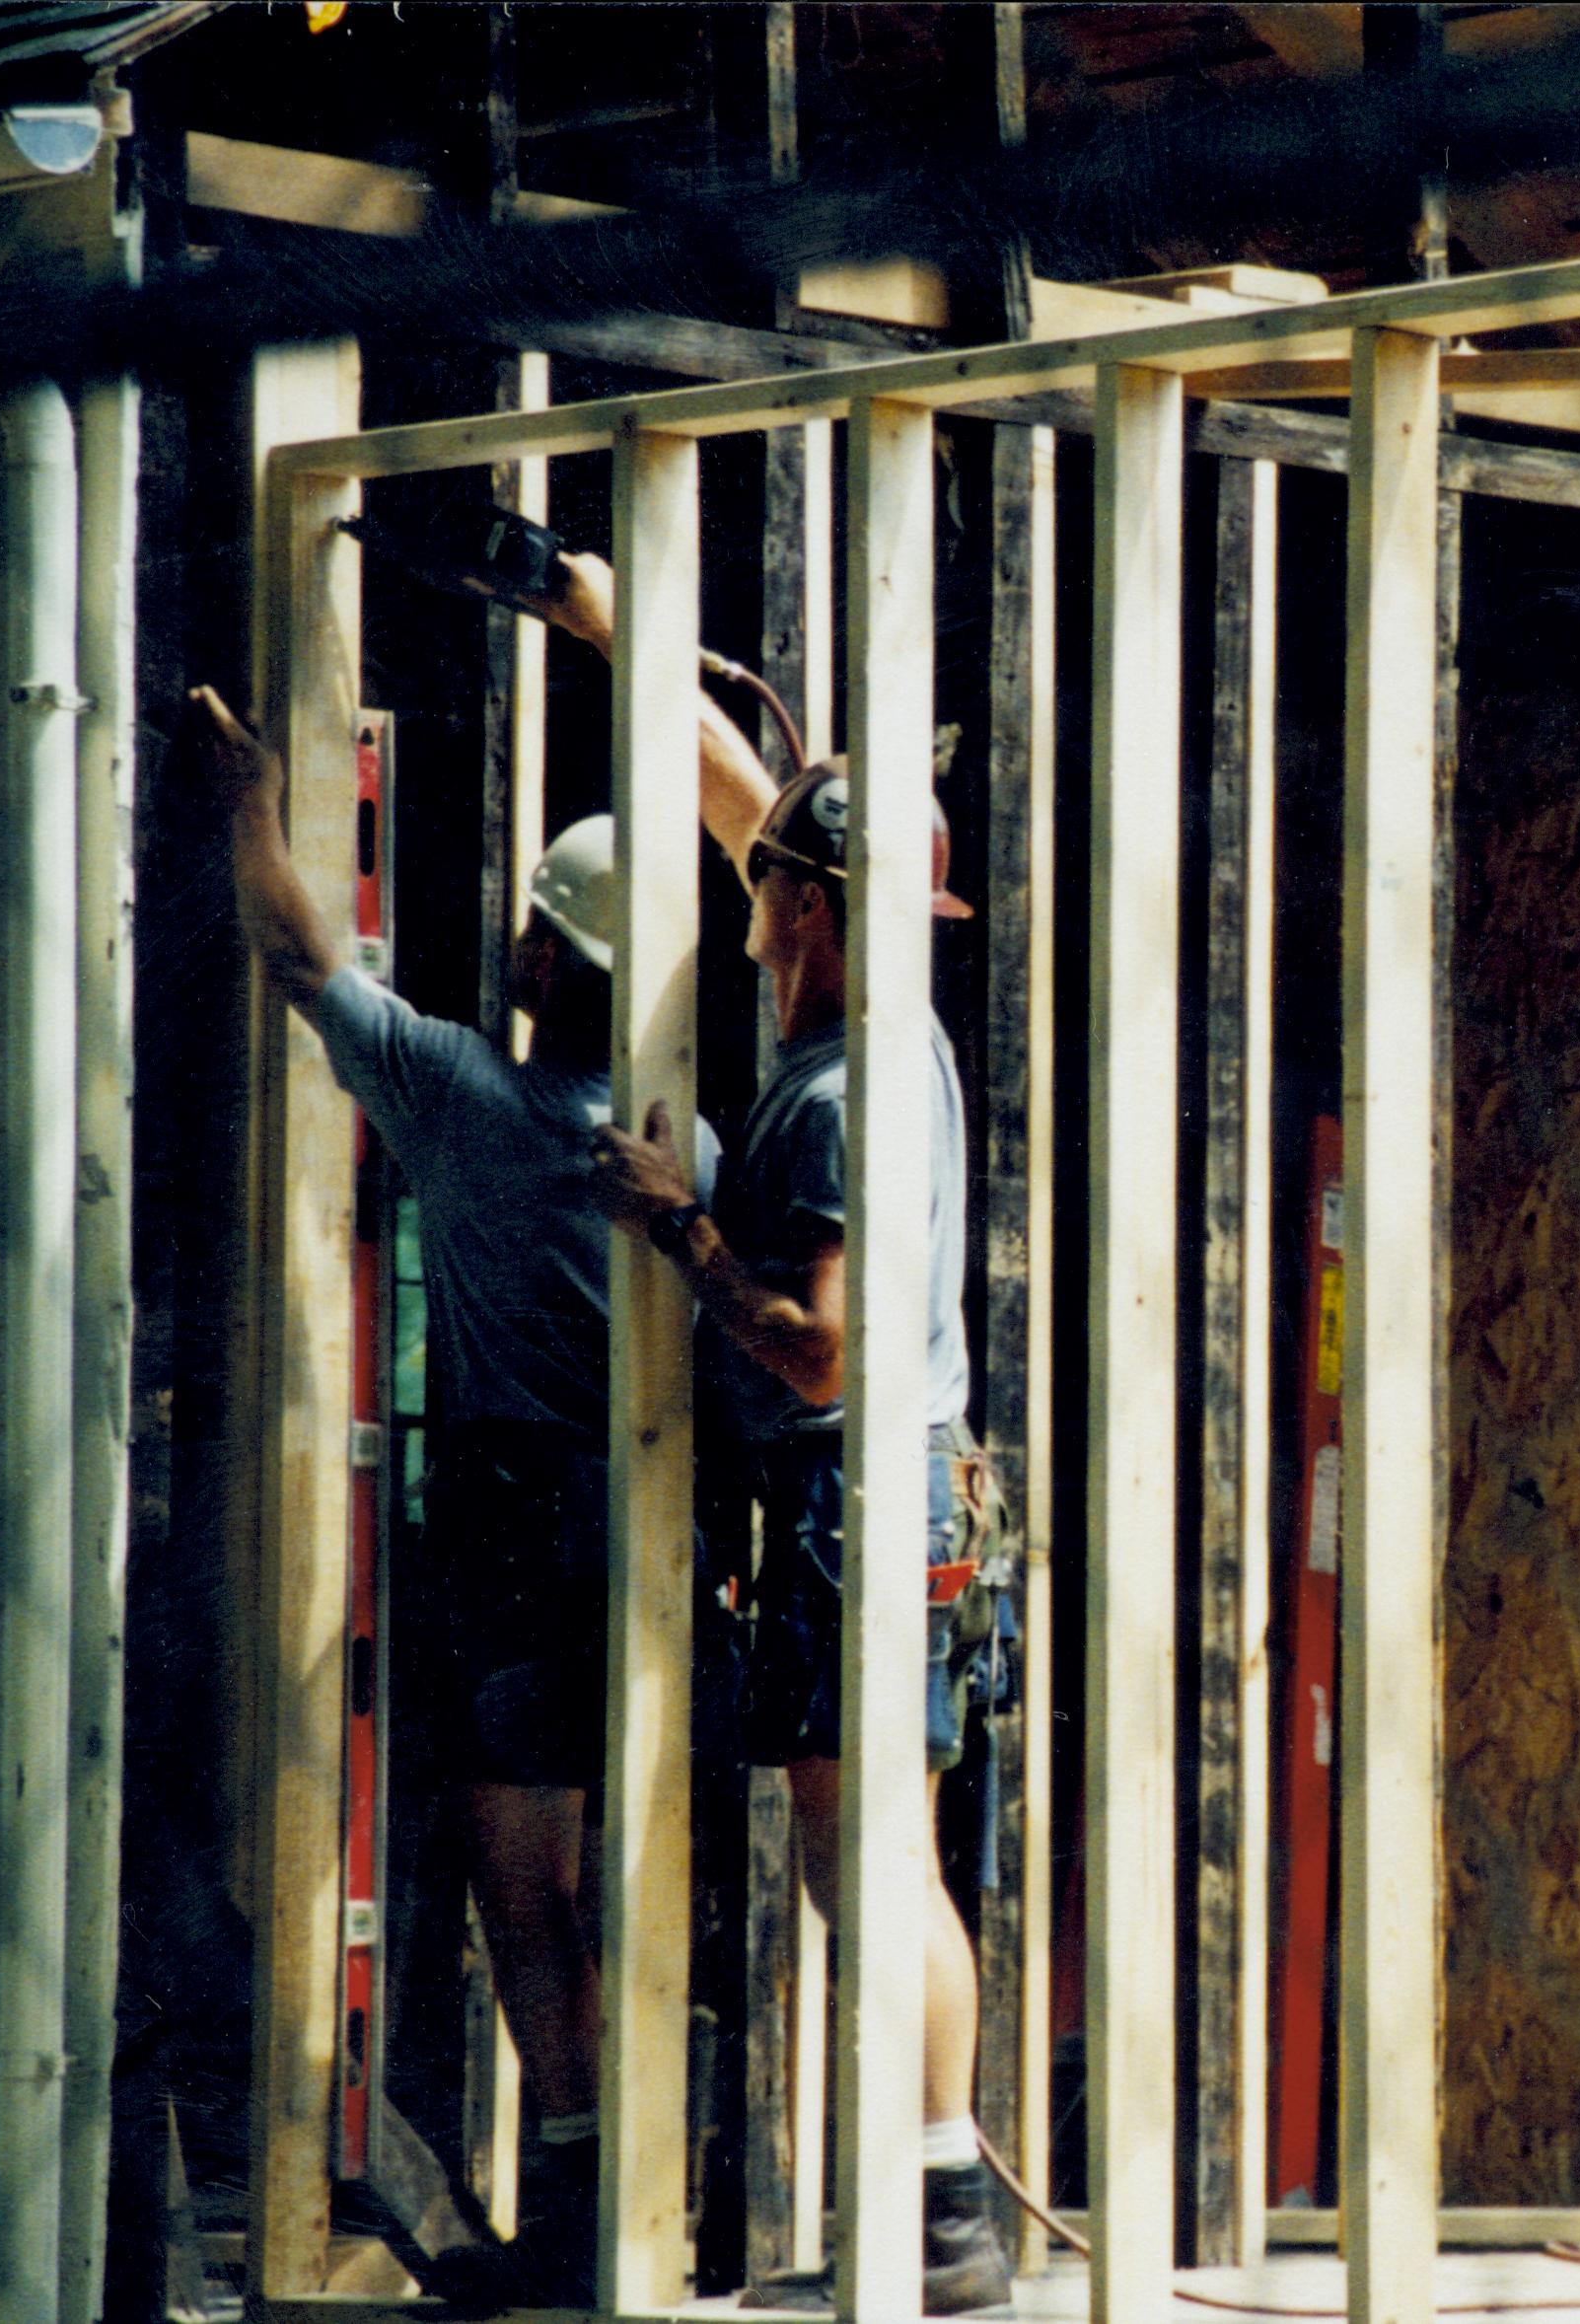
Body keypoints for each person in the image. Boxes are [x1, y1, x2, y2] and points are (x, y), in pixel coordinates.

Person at [189, 682, 715, 2308]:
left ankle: (573, 2203)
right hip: (651, 1531)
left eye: (536, 934)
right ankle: (637, 2201)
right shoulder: (676, 1141)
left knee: (522, 1881)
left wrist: (256, 805)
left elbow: (294, 955)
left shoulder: (469, 1101)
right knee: (632, 1873)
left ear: (557, 963)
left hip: (508, 1527)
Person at [540, 559, 1013, 2315]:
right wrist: (617, 635)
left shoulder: (827, 1101)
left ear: (807, 914)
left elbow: (814, 1351)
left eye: (767, 883)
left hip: (856, 1494)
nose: (744, 885)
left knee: (861, 1857)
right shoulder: (899, 1032)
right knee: (882, 1851)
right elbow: (777, 812)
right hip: (920, 1499)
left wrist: (680, 1224)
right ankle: (938, 2206)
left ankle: (935, 2219)